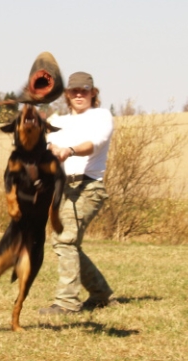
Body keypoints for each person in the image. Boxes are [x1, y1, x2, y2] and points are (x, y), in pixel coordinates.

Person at [39, 72, 116, 315]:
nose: (79, 94)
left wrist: (69, 150)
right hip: (61, 188)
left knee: (66, 240)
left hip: (88, 187)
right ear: (67, 95)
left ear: (93, 93)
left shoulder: (101, 116)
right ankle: (101, 294)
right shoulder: (56, 119)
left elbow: (94, 144)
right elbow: (46, 144)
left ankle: (67, 303)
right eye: (74, 91)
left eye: (84, 90)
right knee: (66, 242)